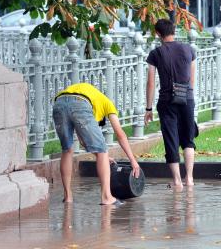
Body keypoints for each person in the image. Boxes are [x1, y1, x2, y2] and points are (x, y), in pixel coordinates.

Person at [52, 83, 140, 205]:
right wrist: (133, 161)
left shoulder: (93, 97)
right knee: (103, 150)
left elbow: (83, 141)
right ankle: (107, 197)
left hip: (59, 103)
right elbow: (120, 134)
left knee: (67, 150)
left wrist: (100, 156)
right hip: (80, 102)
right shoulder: (107, 103)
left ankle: (68, 197)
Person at [144, 19, 196, 190]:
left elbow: (151, 83)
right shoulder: (189, 50)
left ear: (158, 34)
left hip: (167, 101)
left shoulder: (156, 53)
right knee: (188, 140)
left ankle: (177, 182)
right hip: (187, 98)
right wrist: (189, 97)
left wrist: (148, 108)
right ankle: (189, 179)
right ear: (174, 31)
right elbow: (192, 78)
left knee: (171, 139)